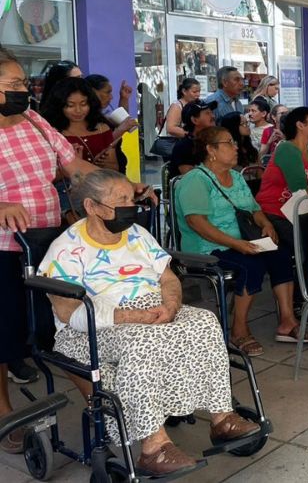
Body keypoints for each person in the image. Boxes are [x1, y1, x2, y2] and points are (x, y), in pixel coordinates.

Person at [39, 170, 260, 475]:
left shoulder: (137, 235)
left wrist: (170, 305)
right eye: (122, 200)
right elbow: (67, 312)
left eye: (132, 197)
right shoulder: (67, 248)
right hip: (96, 324)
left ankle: (222, 418)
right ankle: (153, 447)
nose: (131, 206)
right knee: (143, 341)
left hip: (152, 309)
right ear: (92, 206)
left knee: (205, 323)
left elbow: (167, 277)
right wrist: (133, 317)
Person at [0, 46, 154, 455]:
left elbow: (74, 168)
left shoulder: (34, 120)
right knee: (5, 332)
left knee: (61, 327)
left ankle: (101, 402)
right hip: (3, 246)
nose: (23, 90)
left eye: (22, 83)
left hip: (48, 239)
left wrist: (121, 187)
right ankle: (3, 414)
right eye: (13, 84)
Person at [175, 127, 308, 357]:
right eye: (228, 143)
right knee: (251, 265)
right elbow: (197, 223)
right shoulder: (195, 181)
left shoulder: (237, 177)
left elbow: (254, 209)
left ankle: (287, 321)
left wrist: (265, 224)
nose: (236, 147)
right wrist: (237, 244)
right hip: (207, 248)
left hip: (242, 241)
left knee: (280, 254)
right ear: (211, 150)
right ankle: (238, 329)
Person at [42, 78, 138, 182]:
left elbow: (114, 169)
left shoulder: (102, 128)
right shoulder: (51, 132)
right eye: (70, 105)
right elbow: (45, 176)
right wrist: (72, 164)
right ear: (59, 105)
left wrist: (107, 165)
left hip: (101, 191)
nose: (78, 110)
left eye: (83, 104)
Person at [255, 106, 308, 247]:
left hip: (304, 213)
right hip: (277, 214)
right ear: (300, 125)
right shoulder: (287, 149)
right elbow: (300, 193)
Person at [169, 100, 217, 177]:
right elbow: (192, 178)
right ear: (194, 120)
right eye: (207, 113)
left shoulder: (213, 142)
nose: (213, 116)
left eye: (211, 112)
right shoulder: (183, 147)